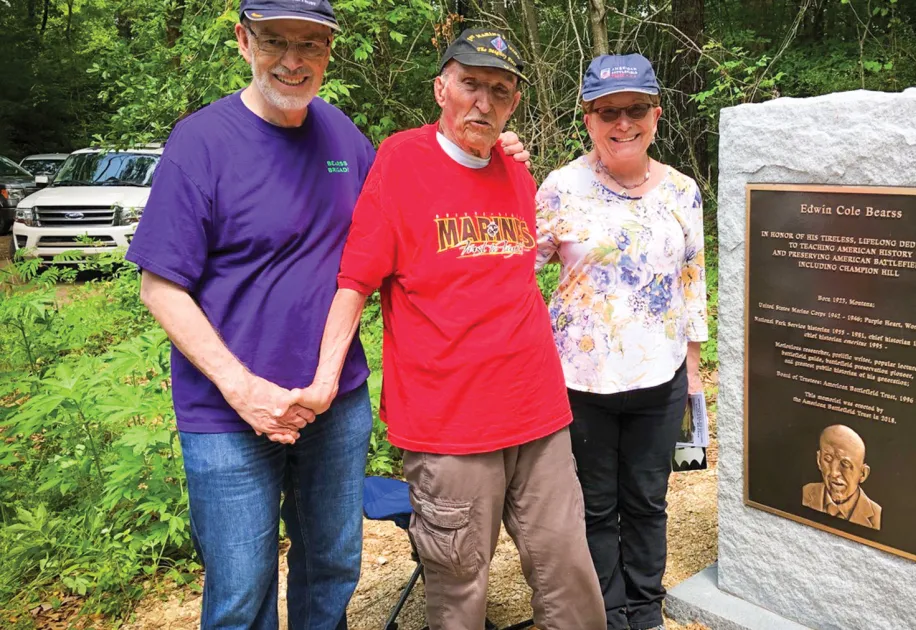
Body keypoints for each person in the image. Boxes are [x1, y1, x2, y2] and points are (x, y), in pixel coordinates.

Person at [126, 2, 528, 627]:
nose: (293, 60)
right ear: (243, 40)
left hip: (335, 403)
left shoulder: (345, 138)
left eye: (310, 44)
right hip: (227, 413)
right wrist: (243, 388)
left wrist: (491, 152)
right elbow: (160, 287)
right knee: (239, 591)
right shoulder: (200, 143)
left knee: (333, 570)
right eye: (276, 41)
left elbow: (415, 213)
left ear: (328, 53)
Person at [296, 27, 606, 630]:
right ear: (442, 87)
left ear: (515, 102)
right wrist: (322, 381)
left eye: (500, 90)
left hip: (539, 411)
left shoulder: (515, 172)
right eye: (470, 84)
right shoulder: (400, 162)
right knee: (460, 589)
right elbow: (355, 282)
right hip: (450, 426)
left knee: (569, 569)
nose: (484, 102)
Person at [534, 53, 709, 630]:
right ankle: (607, 611)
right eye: (608, 111)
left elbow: (692, 280)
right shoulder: (561, 187)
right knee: (595, 505)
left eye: (635, 108)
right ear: (588, 119)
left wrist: (693, 370)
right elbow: (518, 272)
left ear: (656, 116)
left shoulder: (682, 191)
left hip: (659, 379)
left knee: (648, 500)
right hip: (581, 382)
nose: (623, 122)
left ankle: (644, 608)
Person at [801, 424, 882, 530]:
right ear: (819, 460)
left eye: (845, 463)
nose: (834, 473)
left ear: (863, 473)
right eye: (828, 458)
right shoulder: (806, 492)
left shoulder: (876, 515)